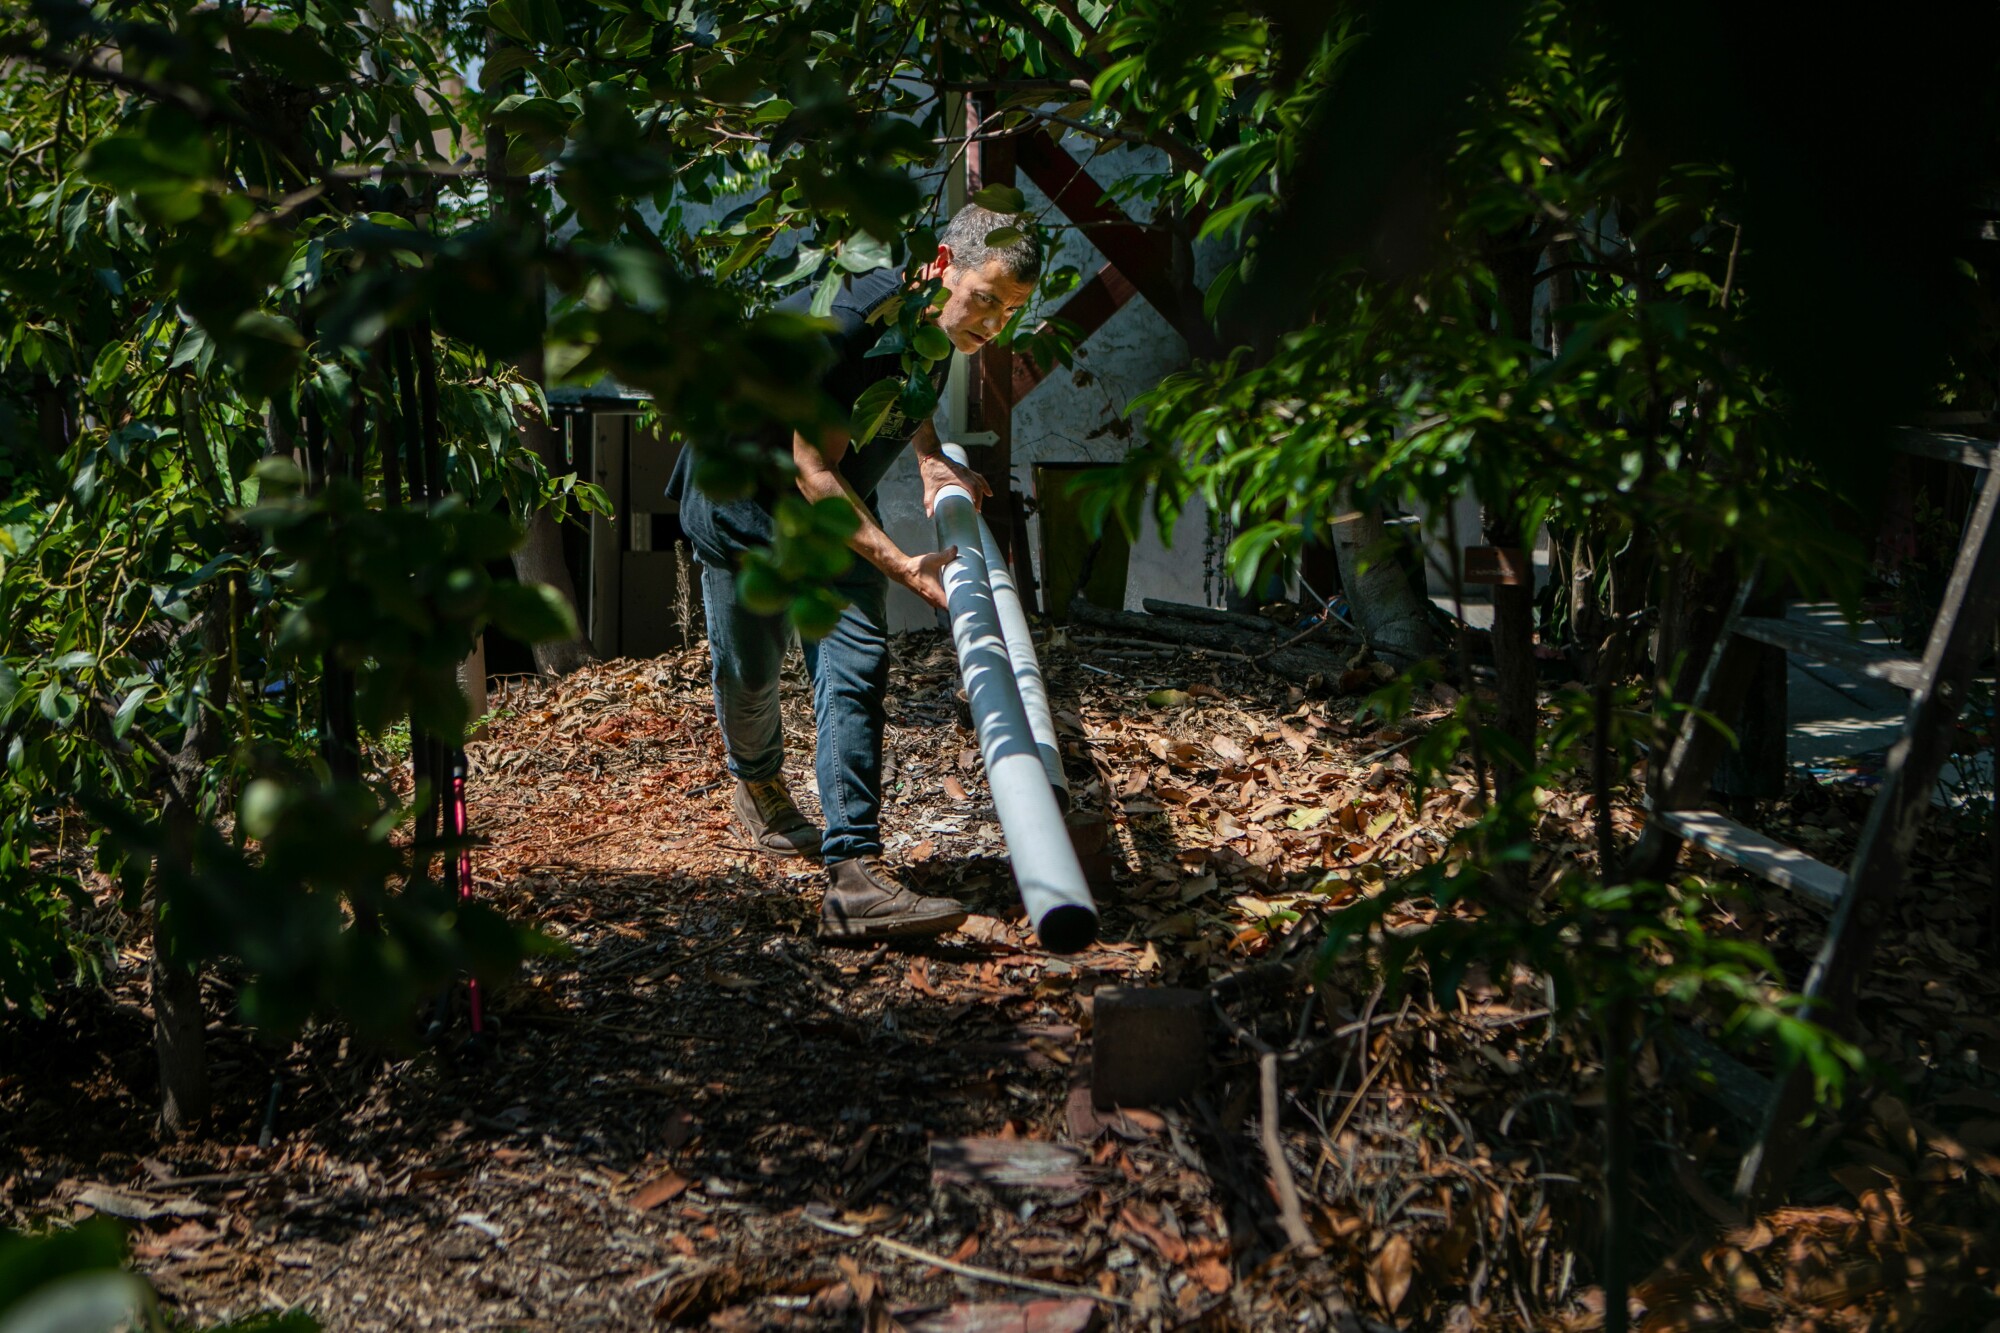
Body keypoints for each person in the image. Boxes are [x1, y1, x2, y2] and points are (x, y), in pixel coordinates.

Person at [668, 205, 1041, 943]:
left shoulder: (933, 321)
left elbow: (907, 388)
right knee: (750, 668)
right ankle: (758, 781)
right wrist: (903, 563)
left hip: (828, 500)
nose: (995, 324)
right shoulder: (847, 323)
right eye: (988, 300)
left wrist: (931, 456)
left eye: (1012, 311)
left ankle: (854, 875)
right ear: (942, 264)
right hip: (746, 502)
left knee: (856, 660)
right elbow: (810, 467)